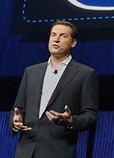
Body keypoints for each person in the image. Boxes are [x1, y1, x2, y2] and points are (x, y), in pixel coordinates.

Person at [10, 20, 98, 158]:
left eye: (63, 36)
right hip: (25, 152)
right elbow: (18, 108)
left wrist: (71, 120)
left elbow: (91, 116)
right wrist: (15, 121)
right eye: (53, 35)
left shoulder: (85, 74)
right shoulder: (31, 72)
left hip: (58, 151)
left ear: (73, 43)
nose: (56, 39)